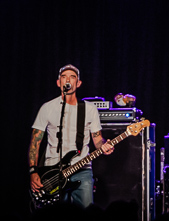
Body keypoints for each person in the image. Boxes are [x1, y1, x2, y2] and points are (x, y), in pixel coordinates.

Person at [29, 64, 113, 208]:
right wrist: (33, 171)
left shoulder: (90, 109)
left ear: (78, 83)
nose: (68, 79)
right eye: (64, 77)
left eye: (72, 77)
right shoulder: (47, 108)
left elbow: (98, 140)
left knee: (87, 216)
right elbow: (35, 143)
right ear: (58, 82)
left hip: (82, 169)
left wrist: (104, 146)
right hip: (51, 173)